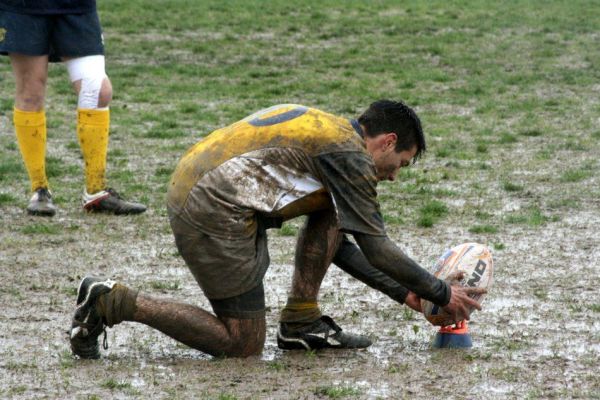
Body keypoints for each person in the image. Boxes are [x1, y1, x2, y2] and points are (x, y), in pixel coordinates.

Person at [69, 101, 485, 359]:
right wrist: (442, 293)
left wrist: (410, 294)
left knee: (334, 212)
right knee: (242, 343)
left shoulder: (336, 135)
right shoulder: (349, 157)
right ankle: (112, 302)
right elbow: (376, 248)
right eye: (402, 164)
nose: (395, 176)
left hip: (203, 183)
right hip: (212, 207)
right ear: (388, 141)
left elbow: (339, 244)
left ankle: (302, 324)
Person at [0, 0, 146, 216]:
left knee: (97, 90)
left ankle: (96, 190)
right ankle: (39, 189)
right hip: (23, 7)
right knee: (31, 92)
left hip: (76, 6)